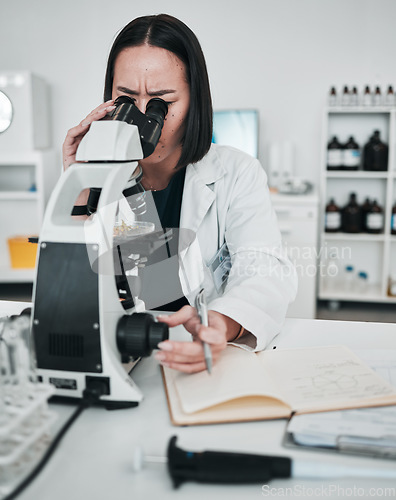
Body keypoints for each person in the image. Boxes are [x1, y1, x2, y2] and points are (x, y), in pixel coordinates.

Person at [62, 13, 297, 374]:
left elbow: (263, 271)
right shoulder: (102, 177)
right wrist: (77, 189)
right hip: (128, 354)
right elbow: (70, 292)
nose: (142, 119)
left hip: (208, 357)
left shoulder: (236, 172)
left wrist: (220, 324)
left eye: (161, 103)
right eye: (126, 99)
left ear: (194, 101)